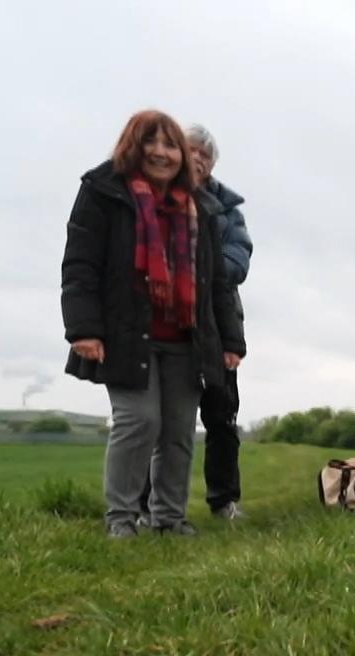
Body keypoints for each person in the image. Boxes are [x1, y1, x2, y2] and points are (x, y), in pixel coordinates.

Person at [61, 110, 246, 538]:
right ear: (133, 145)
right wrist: (84, 328)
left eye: (169, 145)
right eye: (152, 143)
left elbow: (216, 280)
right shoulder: (104, 193)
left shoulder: (201, 206)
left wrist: (230, 340)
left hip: (187, 337)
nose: (161, 153)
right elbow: (81, 264)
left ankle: (169, 518)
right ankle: (122, 519)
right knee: (139, 421)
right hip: (127, 334)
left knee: (180, 429)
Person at [135, 123, 253, 523]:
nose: (198, 158)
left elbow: (238, 260)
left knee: (222, 416)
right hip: (165, 321)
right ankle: (142, 504)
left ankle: (223, 500)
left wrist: (195, 265)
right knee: (159, 417)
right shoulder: (150, 196)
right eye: (192, 151)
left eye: (206, 154)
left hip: (217, 324)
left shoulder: (226, 209)